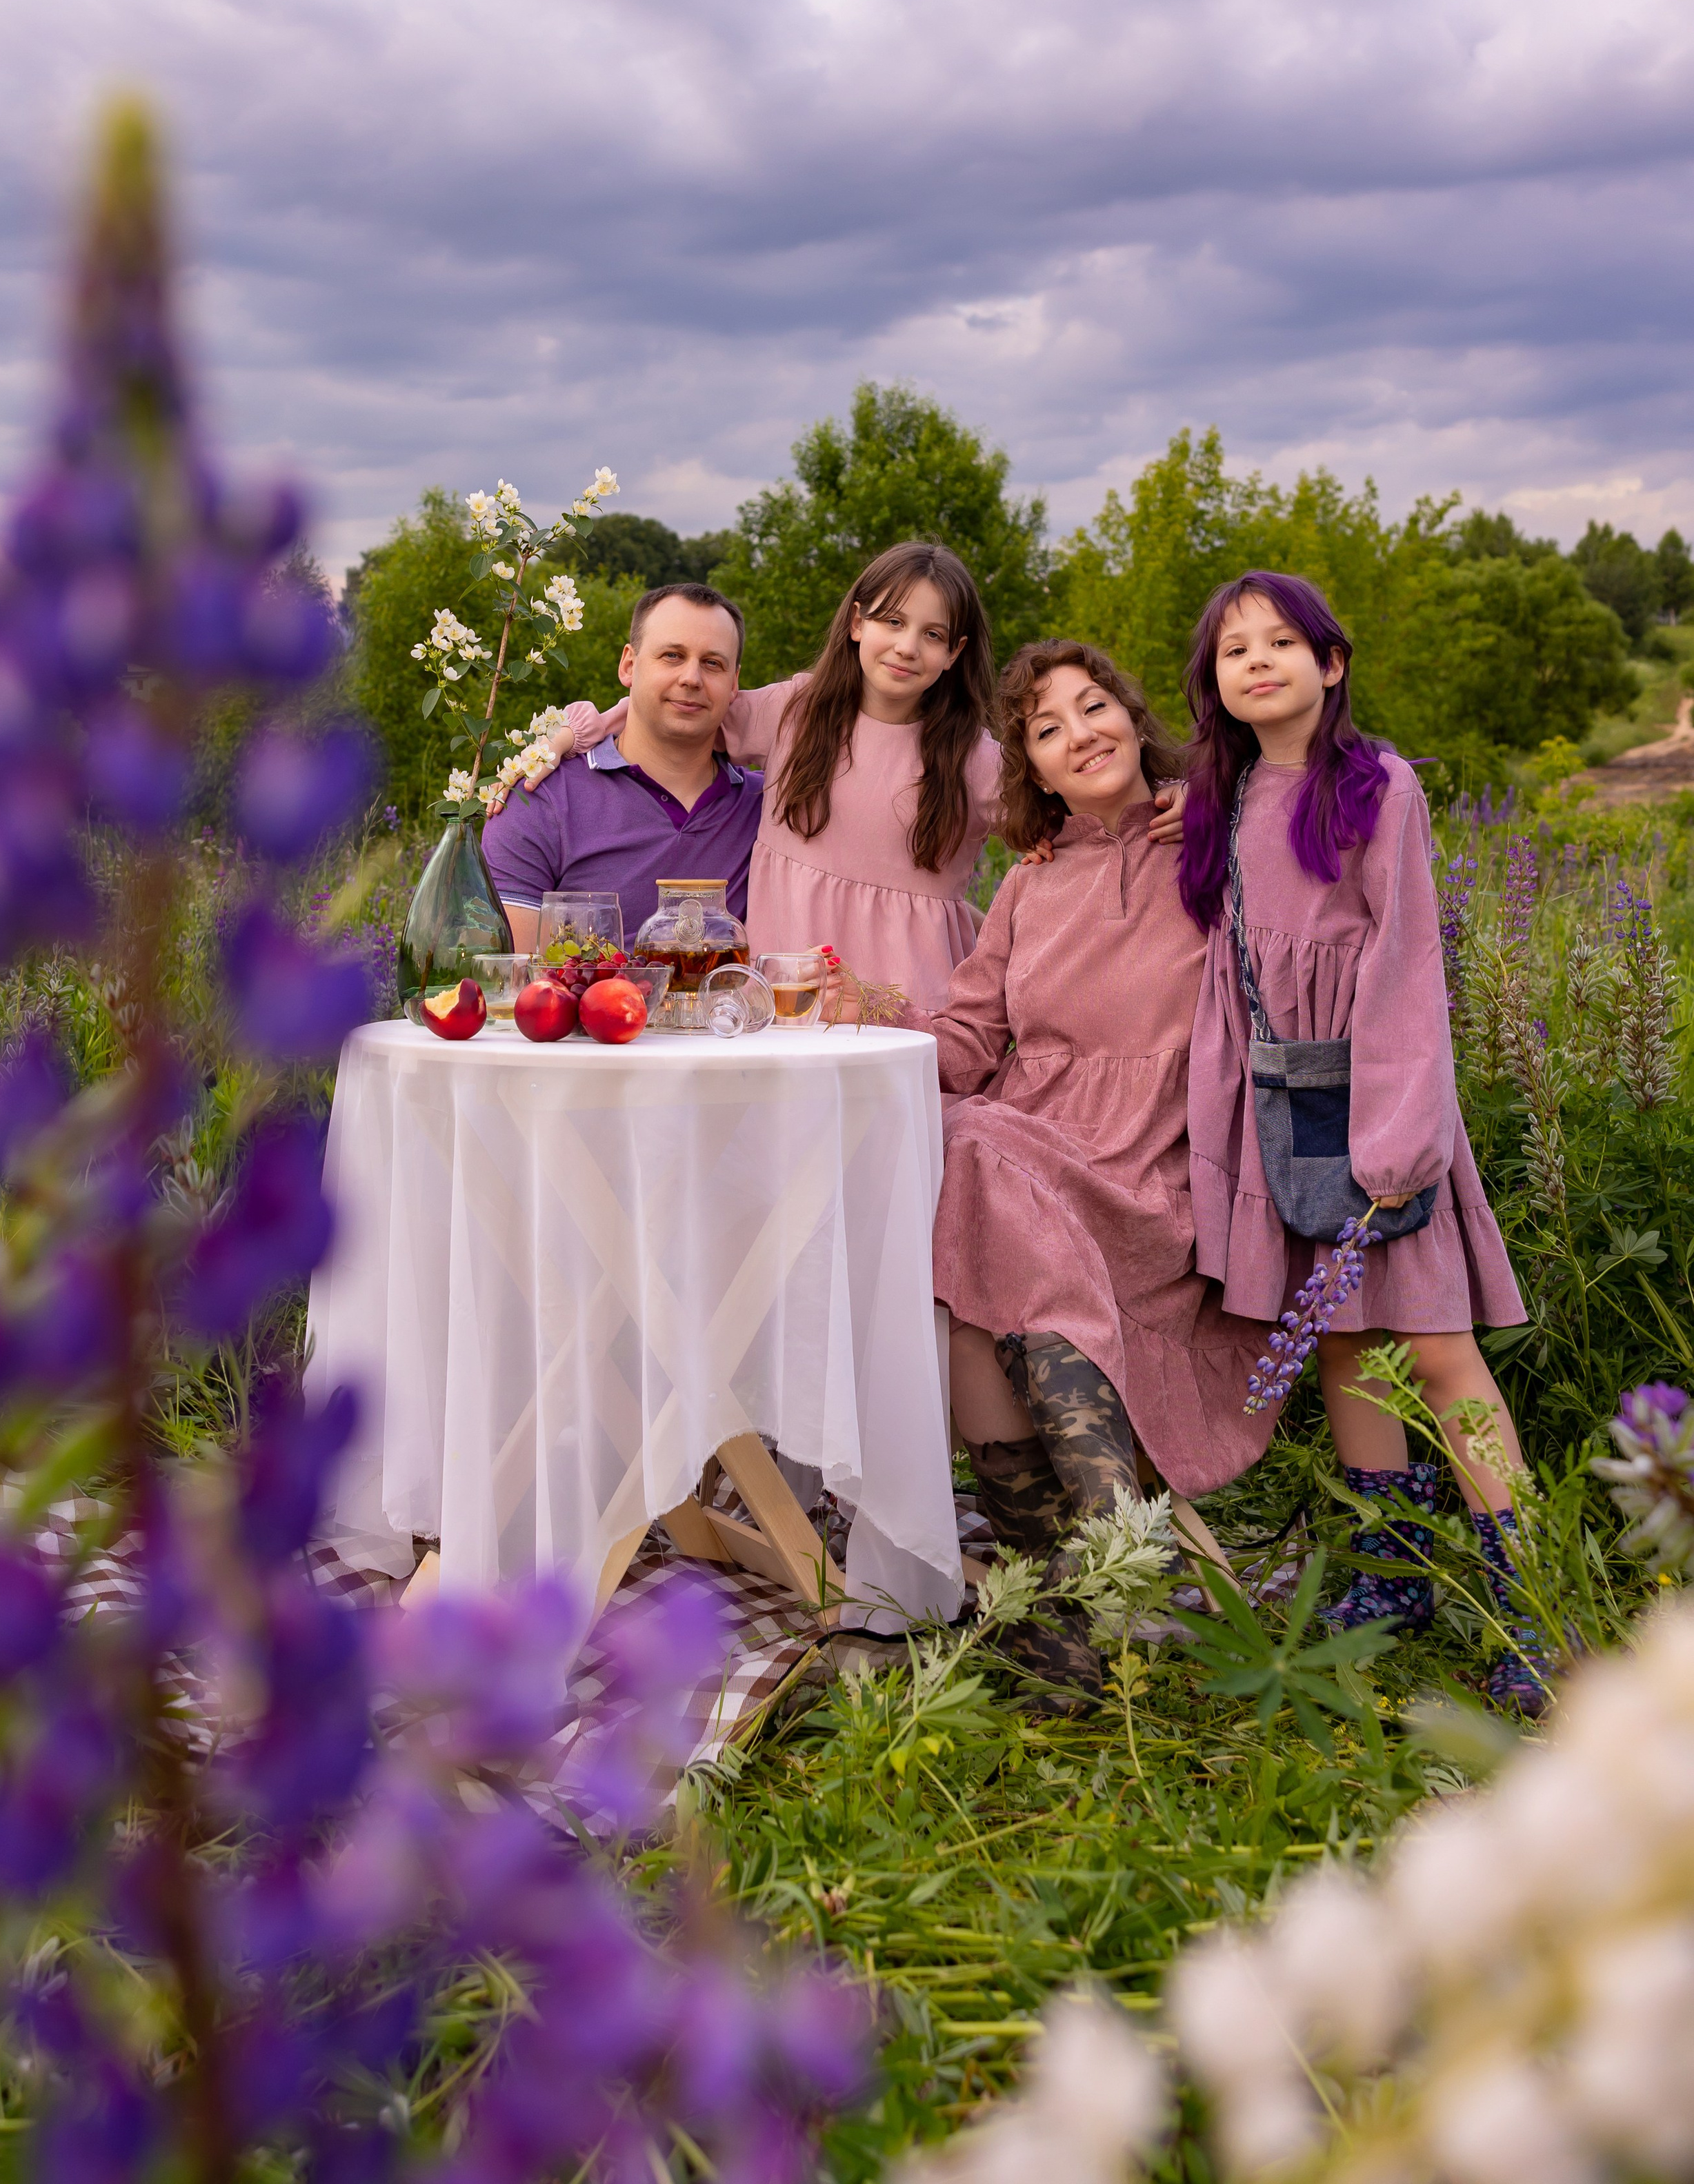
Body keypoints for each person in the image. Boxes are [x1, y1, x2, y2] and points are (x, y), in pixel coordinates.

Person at [1178, 572, 1545, 1712]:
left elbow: (1404, 970)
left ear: (1330, 663)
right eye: (1235, 650)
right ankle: (1394, 1576)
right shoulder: (1223, 796)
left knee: (1436, 1350)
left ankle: (1524, 1596)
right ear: (1217, 686)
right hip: (1291, 1111)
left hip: (1385, 1109)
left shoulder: (1374, 786)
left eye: (1281, 641)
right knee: (1340, 1343)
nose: (1258, 662)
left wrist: (1395, 1146)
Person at [921, 639, 1279, 1696]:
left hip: (1156, 1170)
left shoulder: (1220, 837)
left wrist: (1218, 797)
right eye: (1047, 730)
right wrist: (865, 1027)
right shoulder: (1030, 886)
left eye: (1094, 708)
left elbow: (1322, 793)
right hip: (1030, 1154)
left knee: (973, 1157)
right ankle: (1074, 1589)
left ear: (1132, 713)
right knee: (969, 1281)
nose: (1081, 734)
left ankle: (1105, 1559)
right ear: (1029, 769)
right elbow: (968, 1040)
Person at [550, 542, 1184, 1015]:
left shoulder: (977, 759)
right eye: (891, 621)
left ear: (955, 654)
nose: (908, 647)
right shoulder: (795, 712)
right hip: (786, 994)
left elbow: (1086, 799)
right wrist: (572, 734)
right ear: (857, 623)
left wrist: (1179, 798)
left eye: (932, 635)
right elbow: (678, 710)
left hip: (911, 1002)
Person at [479, 582, 762, 952]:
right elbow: (513, 986)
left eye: (713, 663)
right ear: (629, 665)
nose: (692, 679)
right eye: (672, 656)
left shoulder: (766, 808)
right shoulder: (539, 802)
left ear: (734, 683)